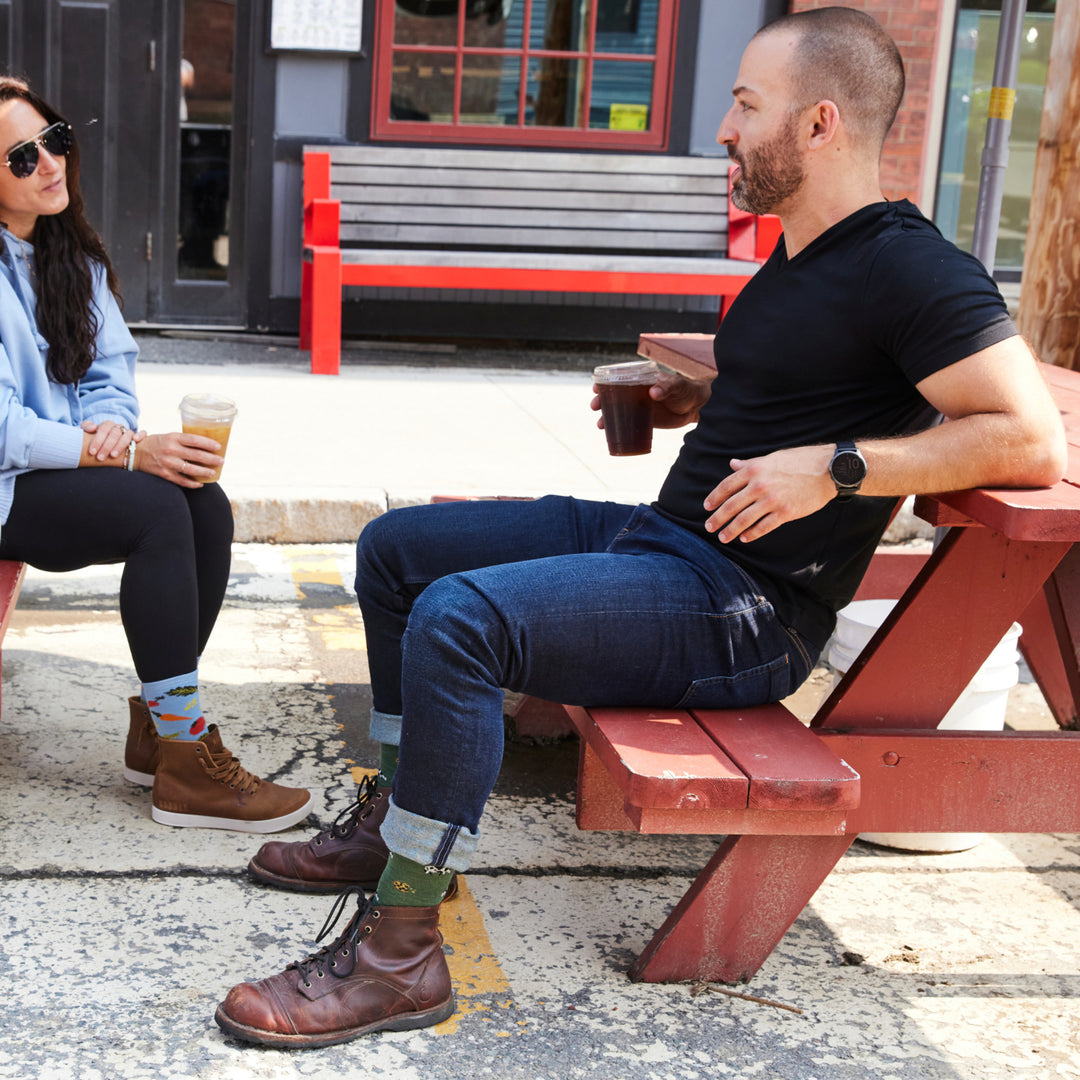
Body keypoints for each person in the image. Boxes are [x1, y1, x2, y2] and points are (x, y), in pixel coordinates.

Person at [216, 7, 1066, 1047]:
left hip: (746, 609)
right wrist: (687, 404)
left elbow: (1029, 440)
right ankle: (395, 818)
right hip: (668, 545)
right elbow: (808, 385)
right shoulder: (804, 256)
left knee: (459, 620)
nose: (722, 128)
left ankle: (399, 950)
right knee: (396, 554)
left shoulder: (914, 266)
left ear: (819, 124)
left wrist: (842, 470)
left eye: (747, 106)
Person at [0, 77, 312, 833]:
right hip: (9, 486)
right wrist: (119, 455)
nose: (50, 163)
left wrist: (112, 429)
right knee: (154, 507)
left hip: (60, 469)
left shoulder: (70, 254)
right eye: (20, 156)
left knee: (203, 502)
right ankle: (187, 762)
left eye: (57, 140)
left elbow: (111, 373)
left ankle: (158, 727)